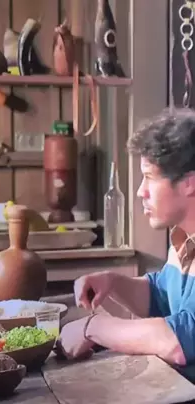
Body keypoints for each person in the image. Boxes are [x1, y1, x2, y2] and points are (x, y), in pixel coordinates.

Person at [58, 108, 195, 379]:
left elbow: (179, 341)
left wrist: (93, 327)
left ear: (189, 183)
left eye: (150, 177)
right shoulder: (184, 240)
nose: (140, 191)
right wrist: (114, 283)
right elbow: (162, 296)